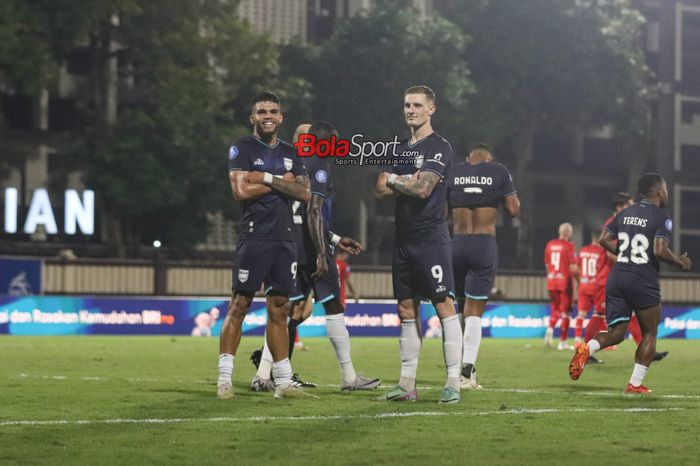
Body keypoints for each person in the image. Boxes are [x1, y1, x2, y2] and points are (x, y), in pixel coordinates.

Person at [251, 121, 381, 392]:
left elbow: (295, 212)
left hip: (288, 245)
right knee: (333, 307)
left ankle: (262, 375)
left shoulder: (289, 166)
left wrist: (334, 238)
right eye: (332, 141)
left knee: (285, 312)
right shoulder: (320, 165)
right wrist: (323, 252)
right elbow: (313, 212)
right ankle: (349, 377)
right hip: (312, 249)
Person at [217, 92, 311, 400]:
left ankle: (283, 382)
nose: (267, 115)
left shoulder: (291, 151)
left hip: (285, 239)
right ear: (253, 117)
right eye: (261, 111)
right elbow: (241, 191)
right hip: (254, 236)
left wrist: (267, 178)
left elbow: (304, 192)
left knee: (280, 309)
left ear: (281, 117)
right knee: (239, 305)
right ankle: (225, 379)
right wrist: (281, 181)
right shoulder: (241, 147)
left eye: (273, 111)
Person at [375, 85, 462, 404]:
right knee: (405, 309)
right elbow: (378, 190)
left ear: (431, 110)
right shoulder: (397, 148)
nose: (410, 110)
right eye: (406, 105)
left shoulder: (439, 147)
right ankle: (407, 384)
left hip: (431, 238)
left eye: (416, 105)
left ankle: (453, 381)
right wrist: (405, 181)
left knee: (443, 305)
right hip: (403, 239)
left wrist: (398, 180)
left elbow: (423, 189)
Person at [569, 174, 691, 393]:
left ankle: (587, 348)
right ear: (659, 192)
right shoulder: (662, 217)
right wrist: (680, 262)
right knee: (649, 334)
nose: (667, 193)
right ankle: (634, 384)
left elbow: (603, 239)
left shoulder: (624, 214)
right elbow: (659, 250)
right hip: (642, 277)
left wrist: (624, 253)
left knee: (616, 332)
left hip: (617, 277)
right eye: (665, 189)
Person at [448, 143, 520, 389]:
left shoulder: (452, 171)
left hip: (455, 244)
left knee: (458, 309)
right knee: (475, 310)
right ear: (489, 158)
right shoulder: (498, 170)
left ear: (468, 157)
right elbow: (513, 209)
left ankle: (455, 370)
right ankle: (467, 374)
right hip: (483, 244)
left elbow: (441, 210)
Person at [544, 223, 577, 350]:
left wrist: (552, 276)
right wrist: (578, 279)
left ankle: (550, 328)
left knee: (556, 309)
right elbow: (573, 267)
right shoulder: (569, 246)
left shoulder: (550, 244)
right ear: (568, 233)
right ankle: (562, 342)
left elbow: (547, 265)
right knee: (565, 313)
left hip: (552, 281)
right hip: (564, 283)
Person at [573, 230, 605, 350]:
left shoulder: (583, 250)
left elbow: (575, 269)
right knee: (600, 314)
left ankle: (577, 340)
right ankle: (602, 341)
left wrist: (580, 280)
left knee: (581, 314)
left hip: (583, 285)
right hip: (596, 286)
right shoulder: (601, 252)